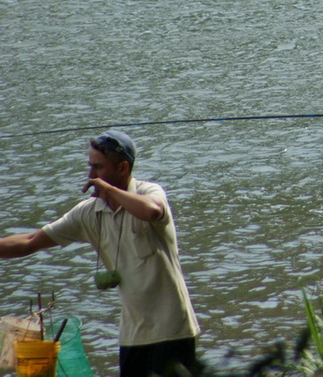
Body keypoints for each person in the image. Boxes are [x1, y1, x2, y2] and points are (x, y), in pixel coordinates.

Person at [0, 130, 200, 376]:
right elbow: (29, 241)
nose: (90, 176)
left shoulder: (149, 192)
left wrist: (109, 190)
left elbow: (152, 211)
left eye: (98, 168)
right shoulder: (88, 213)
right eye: (90, 167)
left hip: (173, 329)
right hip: (133, 335)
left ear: (123, 168)